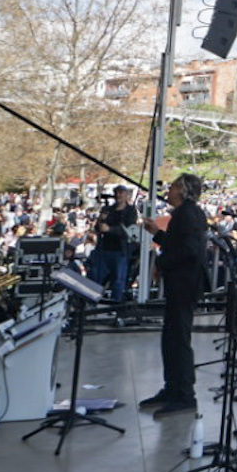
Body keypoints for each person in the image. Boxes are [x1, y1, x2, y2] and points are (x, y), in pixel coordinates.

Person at [141, 173, 207, 418]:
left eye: (172, 187)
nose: (168, 191)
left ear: (183, 190)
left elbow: (189, 251)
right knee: (171, 338)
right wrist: (157, 234)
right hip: (179, 284)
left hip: (184, 285)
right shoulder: (185, 213)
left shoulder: (188, 214)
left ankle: (185, 395)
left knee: (179, 339)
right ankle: (172, 388)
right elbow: (178, 245)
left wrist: (162, 262)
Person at [88, 186, 138, 299]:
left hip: (121, 250)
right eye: (116, 193)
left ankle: (116, 302)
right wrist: (100, 220)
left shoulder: (130, 211)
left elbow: (129, 230)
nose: (118, 195)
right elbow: (97, 227)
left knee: (118, 280)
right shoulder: (107, 209)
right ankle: (93, 301)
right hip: (104, 249)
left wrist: (110, 229)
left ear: (126, 195)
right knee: (97, 277)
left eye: (121, 193)